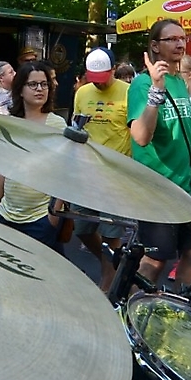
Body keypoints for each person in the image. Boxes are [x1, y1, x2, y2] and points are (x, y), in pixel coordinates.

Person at [129, 21, 191, 291]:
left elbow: (184, 126)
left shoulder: (179, 81)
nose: (180, 43)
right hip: (157, 185)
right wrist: (156, 91)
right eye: (171, 39)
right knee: (155, 260)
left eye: (182, 38)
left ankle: (178, 305)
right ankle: (130, 308)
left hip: (186, 178)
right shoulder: (142, 84)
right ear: (155, 46)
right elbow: (141, 137)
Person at [71, 48, 134, 285]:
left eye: (103, 77)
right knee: (82, 228)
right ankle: (114, 264)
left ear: (113, 70)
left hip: (116, 173)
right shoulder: (82, 92)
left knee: (111, 233)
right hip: (87, 170)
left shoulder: (128, 92)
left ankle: (107, 285)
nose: (98, 83)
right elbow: (76, 126)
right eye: (93, 78)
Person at [0, 61, 67, 247]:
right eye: (33, 84)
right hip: (6, 214)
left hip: (40, 218)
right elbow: (1, 166)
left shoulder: (57, 125)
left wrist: (53, 214)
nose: (39, 89)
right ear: (20, 89)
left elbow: (66, 172)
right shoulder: (9, 123)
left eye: (44, 84)